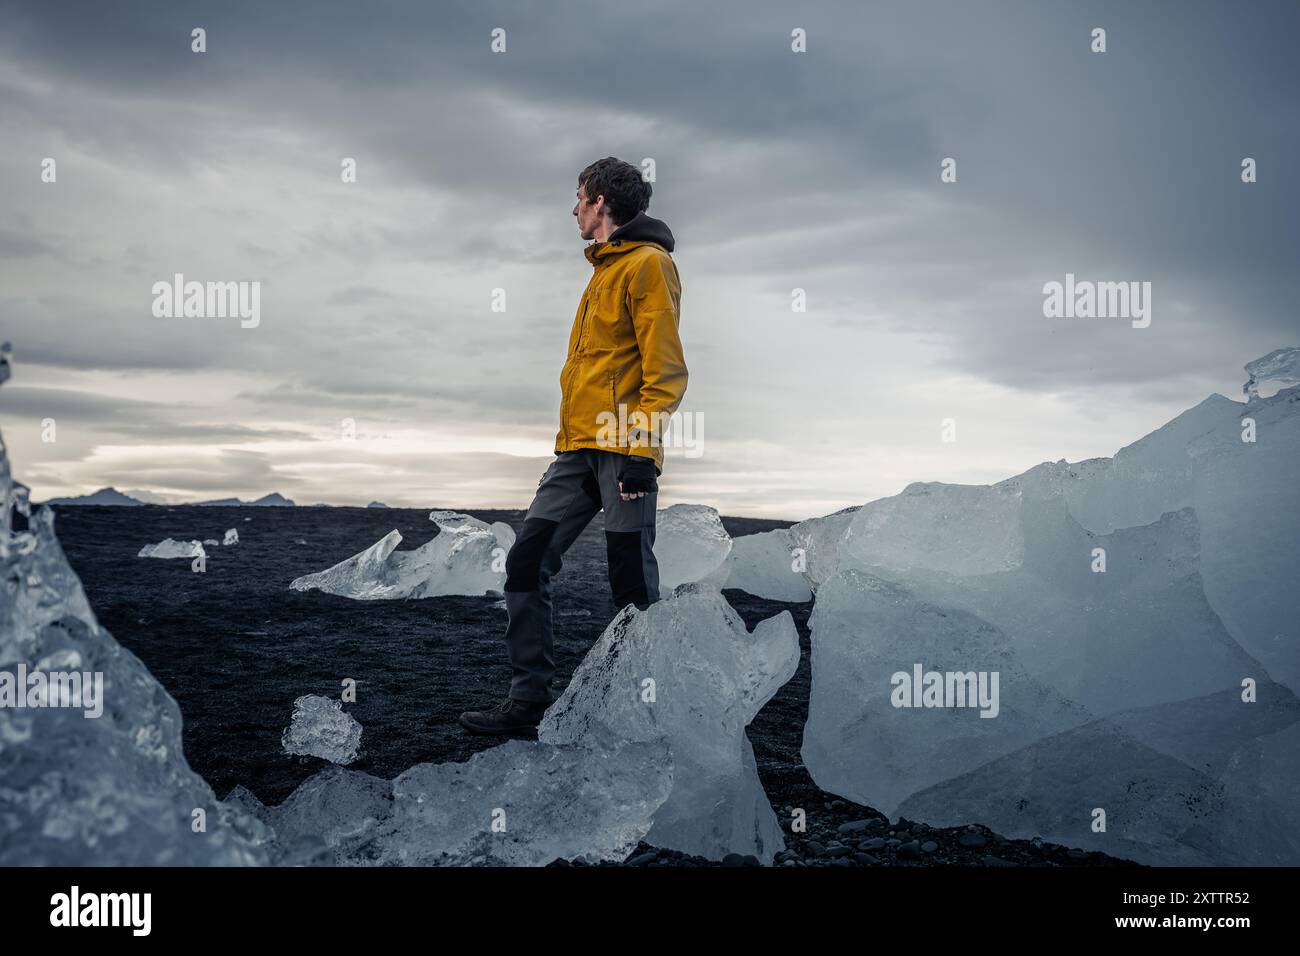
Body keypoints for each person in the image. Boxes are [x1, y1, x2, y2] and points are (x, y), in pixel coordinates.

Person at [459, 157, 688, 735]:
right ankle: (527, 702)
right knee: (527, 561)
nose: (573, 208)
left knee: (631, 583)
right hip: (577, 448)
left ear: (601, 204)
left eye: (579, 197)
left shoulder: (648, 266)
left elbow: (665, 370)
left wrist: (640, 452)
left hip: (620, 446)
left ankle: (649, 715)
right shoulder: (602, 270)